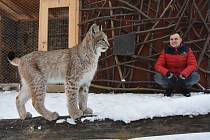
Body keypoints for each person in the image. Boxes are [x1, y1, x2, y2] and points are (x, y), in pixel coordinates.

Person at [154, 31, 200, 97]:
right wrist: (168, 74)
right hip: (170, 77)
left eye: (176, 39)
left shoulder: (187, 50)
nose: (173, 41)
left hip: (183, 77)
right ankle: (168, 88)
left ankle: (185, 88)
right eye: (171, 39)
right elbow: (158, 65)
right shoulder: (165, 50)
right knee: (157, 76)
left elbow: (193, 65)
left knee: (195, 76)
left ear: (181, 40)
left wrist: (183, 75)